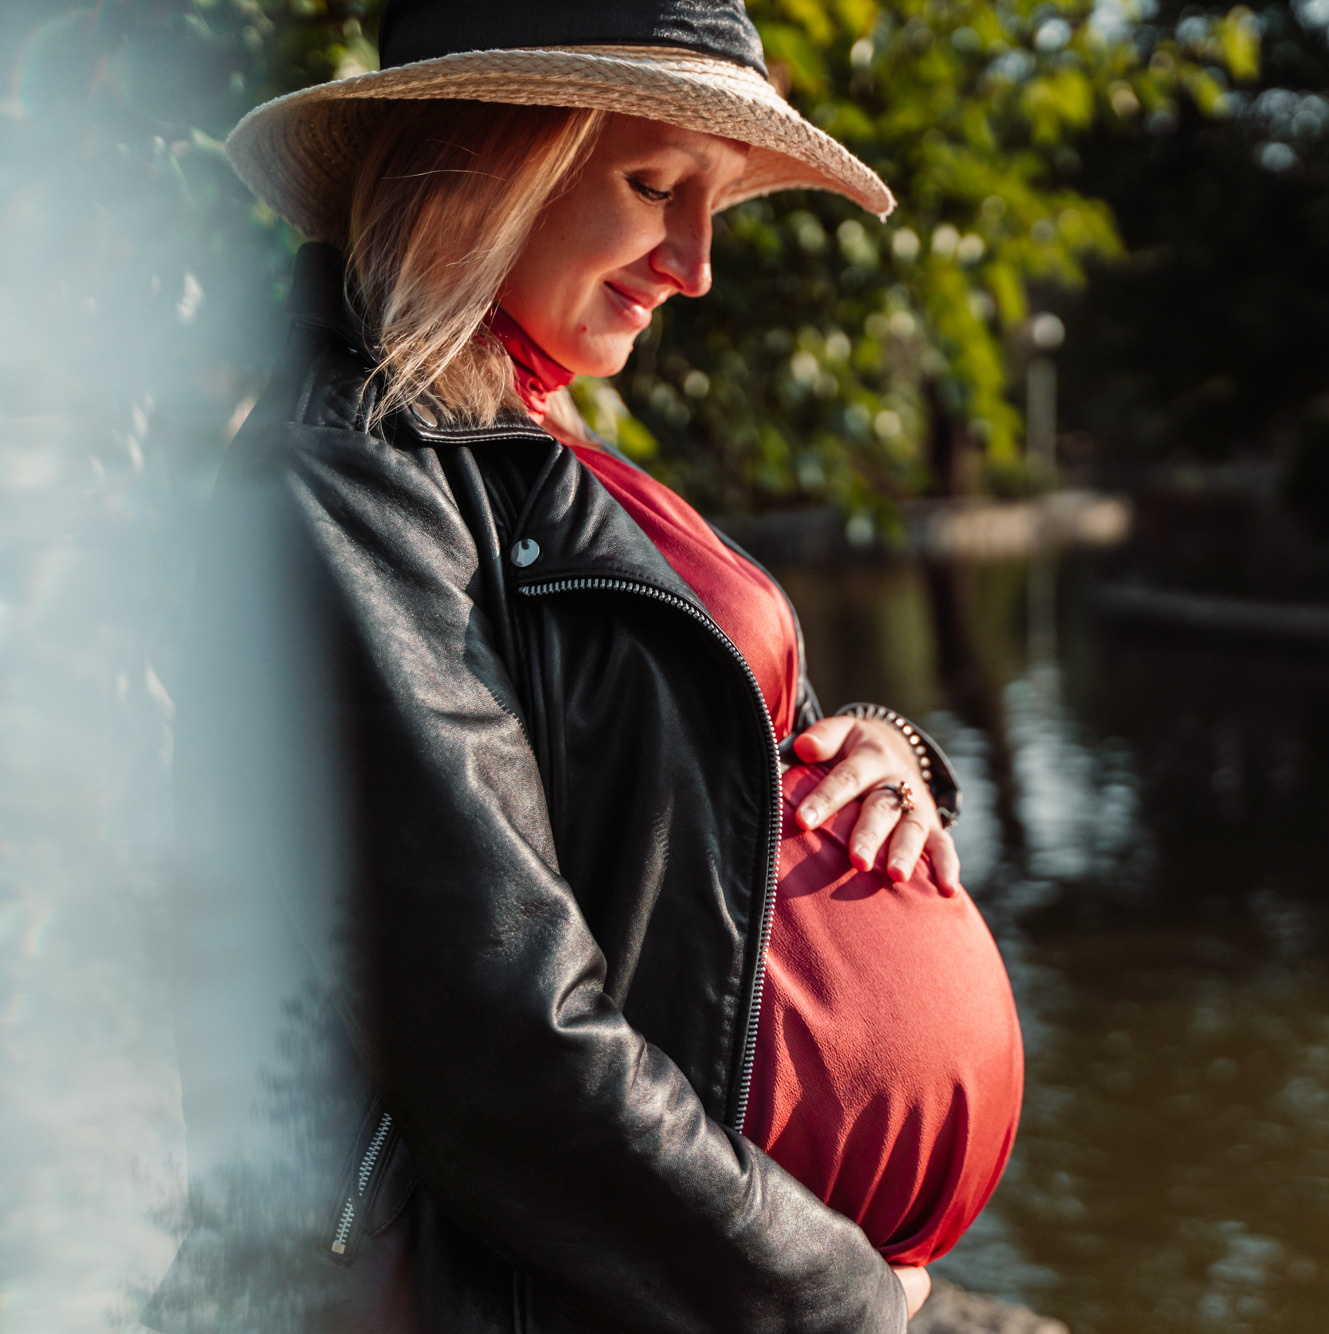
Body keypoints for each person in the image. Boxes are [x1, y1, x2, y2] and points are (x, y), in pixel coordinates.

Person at [151, 3, 1022, 1330]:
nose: (697, 265)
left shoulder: (520, 450)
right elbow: (498, 1037)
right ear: (489, 160)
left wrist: (884, 748)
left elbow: (662, 767)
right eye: (654, 184)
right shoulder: (352, 485)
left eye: (714, 204)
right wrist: (841, 1298)